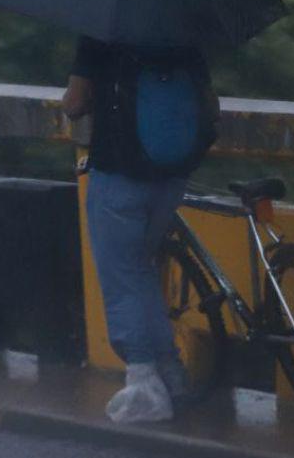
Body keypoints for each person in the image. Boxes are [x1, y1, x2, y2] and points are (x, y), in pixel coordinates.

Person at [63, 35, 218, 423]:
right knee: (141, 268)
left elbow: (75, 103)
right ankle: (173, 373)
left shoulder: (100, 34)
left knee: (123, 275)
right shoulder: (183, 36)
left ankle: (144, 383)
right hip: (171, 178)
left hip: (120, 177)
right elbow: (211, 107)